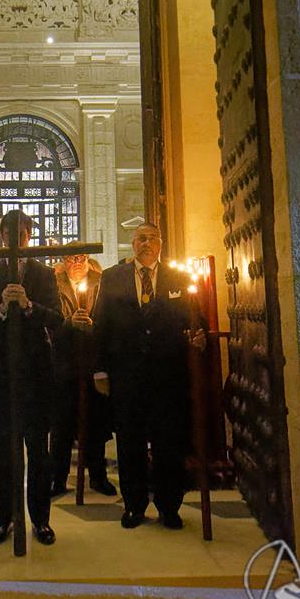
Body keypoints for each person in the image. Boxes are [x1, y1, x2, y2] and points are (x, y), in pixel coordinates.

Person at [93, 222, 206, 530]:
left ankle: (169, 506)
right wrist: (100, 370)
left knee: (168, 443)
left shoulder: (178, 279)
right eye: (141, 238)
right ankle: (134, 505)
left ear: (161, 243)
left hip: (167, 376)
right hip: (127, 375)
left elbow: (196, 318)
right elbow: (101, 325)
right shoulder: (112, 278)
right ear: (133, 243)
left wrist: (200, 336)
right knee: (130, 442)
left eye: (152, 238)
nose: (146, 243)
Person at [0, 210, 63, 546]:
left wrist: (27, 306)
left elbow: (57, 319)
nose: (16, 240)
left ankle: (40, 519)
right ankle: (4, 519)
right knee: (2, 453)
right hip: (1, 376)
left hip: (36, 376)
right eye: (9, 235)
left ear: (28, 236)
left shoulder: (43, 273)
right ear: (2, 238)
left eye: (22, 234)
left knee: (39, 452)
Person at [50, 249, 116, 497]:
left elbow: (111, 320)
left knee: (95, 424)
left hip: (94, 362)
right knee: (61, 427)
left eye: (81, 258)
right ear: (63, 262)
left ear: (88, 261)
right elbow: (50, 320)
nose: (76, 263)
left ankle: (98, 476)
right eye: (70, 258)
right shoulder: (54, 285)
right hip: (63, 364)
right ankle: (58, 478)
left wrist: (93, 327)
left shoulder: (102, 283)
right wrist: (69, 324)